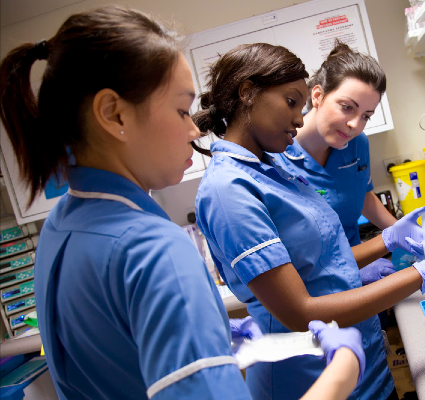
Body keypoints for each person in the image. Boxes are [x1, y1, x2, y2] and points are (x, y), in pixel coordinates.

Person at [0, 6, 366, 400]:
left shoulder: (61, 226)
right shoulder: (153, 249)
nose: (194, 128)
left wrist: (201, 338)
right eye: (180, 110)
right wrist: (343, 368)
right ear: (113, 113)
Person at [193, 42, 425, 400]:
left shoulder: (273, 168)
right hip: (312, 376)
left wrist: (386, 241)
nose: (299, 119)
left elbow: (319, 265)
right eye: (291, 102)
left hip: (362, 362)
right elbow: (300, 311)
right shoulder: (228, 190)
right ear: (247, 93)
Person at [273, 41, 425, 288]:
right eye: (347, 108)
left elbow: (362, 195)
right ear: (317, 96)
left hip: (359, 266)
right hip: (313, 290)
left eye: (366, 116)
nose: (355, 125)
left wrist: (410, 234)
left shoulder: (356, 143)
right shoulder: (276, 156)